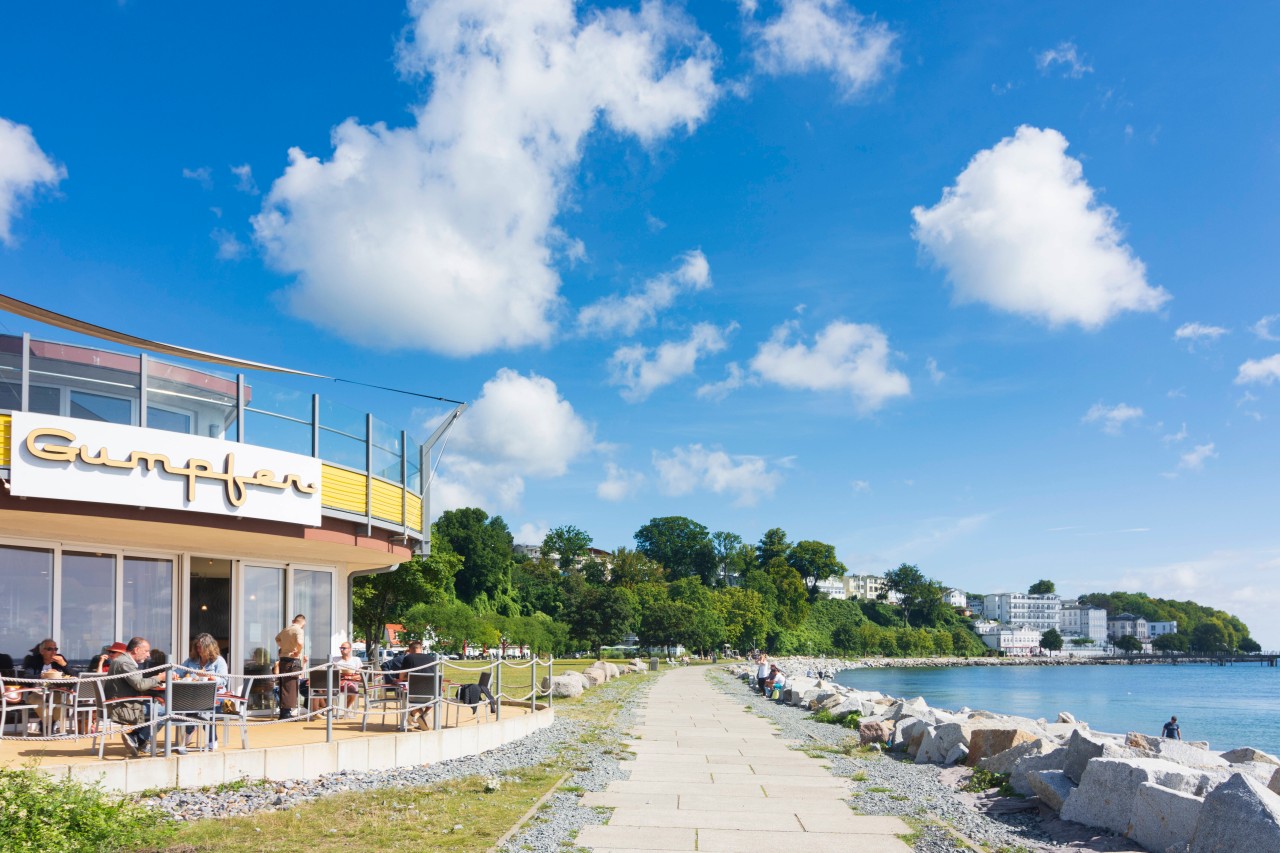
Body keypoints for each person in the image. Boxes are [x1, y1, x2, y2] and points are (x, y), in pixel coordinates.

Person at [106, 636, 167, 757]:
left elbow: (137, 683)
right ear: (136, 650)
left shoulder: (123, 661)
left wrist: (155, 681)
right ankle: (137, 737)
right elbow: (139, 685)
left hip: (121, 704)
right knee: (166, 711)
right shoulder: (125, 663)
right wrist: (159, 678)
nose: (148, 655)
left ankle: (140, 741)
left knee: (156, 707)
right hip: (122, 708)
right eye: (146, 651)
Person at [177, 633, 228, 752]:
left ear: (209, 647)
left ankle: (211, 739)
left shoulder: (219, 661)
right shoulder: (191, 660)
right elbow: (179, 671)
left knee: (204, 706)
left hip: (216, 696)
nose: (198, 649)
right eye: (197, 647)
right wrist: (174, 674)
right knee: (182, 703)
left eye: (201, 647)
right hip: (194, 695)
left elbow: (224, 680)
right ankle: (190, 729)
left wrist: (211, 677)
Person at [22, 638, 76, 734]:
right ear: (42, 651)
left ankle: (46, 724)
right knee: (39, 703)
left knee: (66, 701)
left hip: (55, 692)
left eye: (55, 649)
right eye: (50, 649)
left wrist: (64, 665)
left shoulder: (59, 660)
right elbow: (27, 676)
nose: (54, 652)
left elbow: (74, 675)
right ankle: (49, 727)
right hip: (37, 691)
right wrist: (43, 675)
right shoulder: (33, 660)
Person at [399, 640, 438, 731]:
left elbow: (401, 676)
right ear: (421, 648)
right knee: (434, 696)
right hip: (432, 697)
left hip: (414, 696)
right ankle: (423, 715)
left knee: (410, 696)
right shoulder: (432, 659)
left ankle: (412, 715)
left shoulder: (408, 658)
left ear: (409, 649)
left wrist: (404, 678)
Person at [274, 614, 306, 719]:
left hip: (283, 659)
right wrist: (298, 651)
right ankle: (286, 713)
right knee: (291, 687)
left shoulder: (285, 630)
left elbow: (277, 638)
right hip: (292, 660)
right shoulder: (299, 630)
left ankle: (284, 712)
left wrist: (283, 647)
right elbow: (300, 643)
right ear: (303, 622)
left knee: (284, 686)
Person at [332, 642, 363, 717]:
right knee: (324, 689)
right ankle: (328, 710)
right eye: (341, 648)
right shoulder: (335, 659)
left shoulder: (356, 660)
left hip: (351, 682)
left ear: (350, 649)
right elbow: (328, 671)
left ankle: (345, 709)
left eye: (344, 648)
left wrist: (350, 677)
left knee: (353, 691)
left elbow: (361, 675)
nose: (342, 650)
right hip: (337, 682)